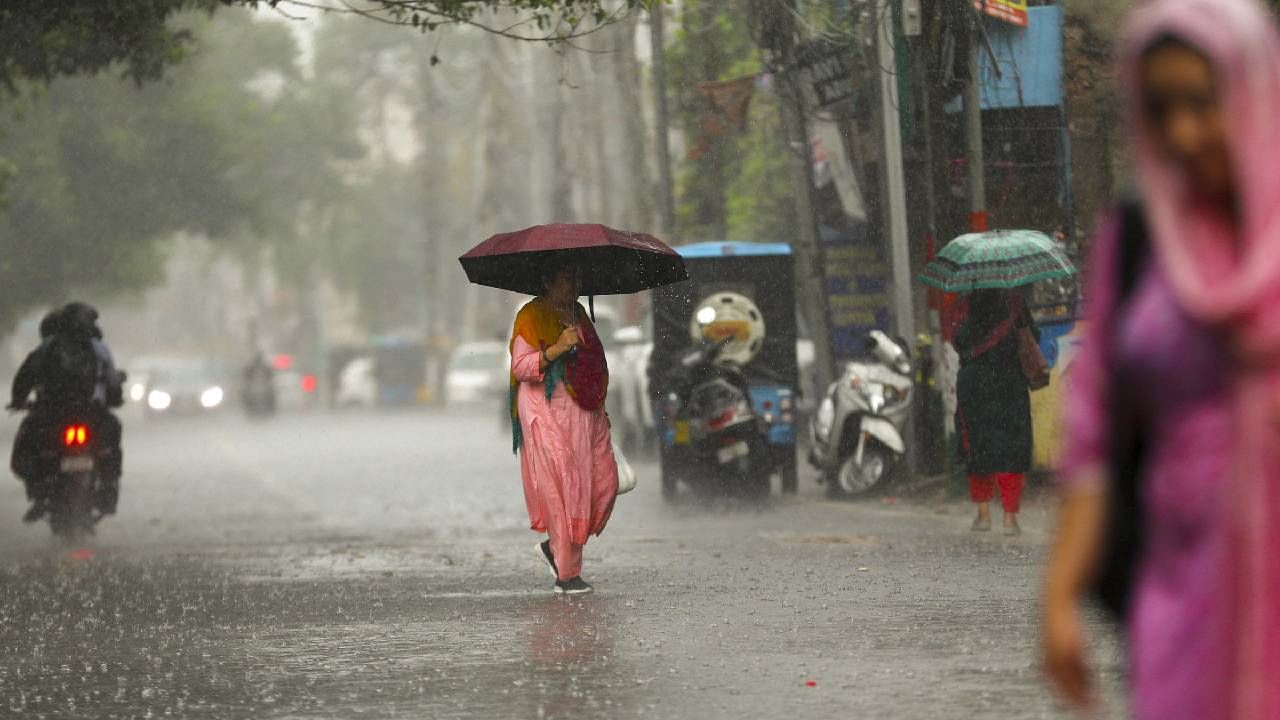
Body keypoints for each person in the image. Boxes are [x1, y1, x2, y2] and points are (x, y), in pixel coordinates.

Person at [1043, 1, 1280, 717]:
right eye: (1161, 107)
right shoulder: (1139, 239)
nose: (1183, 131)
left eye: (1203, 102)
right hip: (1179, 601)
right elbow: (1093, 435)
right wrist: (1057, 600)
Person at [509, 263, 618, 595]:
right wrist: (556, 347)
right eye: (568, 278)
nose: (575, 285)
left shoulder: (580, 314)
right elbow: (521, 366)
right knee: (564, 492)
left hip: (586, 414)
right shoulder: (530, 316)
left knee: (603, 483)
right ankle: (567, 576)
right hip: (546, 414)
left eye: (577, 278)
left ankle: (554, 548)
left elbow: (592, 365)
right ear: (547, 279)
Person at [9, 303, 124, 521]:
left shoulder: (46, 348)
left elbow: (25, 377)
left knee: (32, 440)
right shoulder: (98, 348)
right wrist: (115, 399)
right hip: (92, 415)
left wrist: (18, 401)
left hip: (52, 414)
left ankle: (39, 493)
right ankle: (109, 487)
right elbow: (112, 382)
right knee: (113, 432)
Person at [953, 288, 1038, 536]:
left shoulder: (965, 304)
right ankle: (1009, 519)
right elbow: (1033, 337)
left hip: (975, 386)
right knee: (1012, 448)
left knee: (978, 448)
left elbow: (959, 341)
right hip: (1009, 384)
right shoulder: (1015, 302)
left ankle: (983, 516)